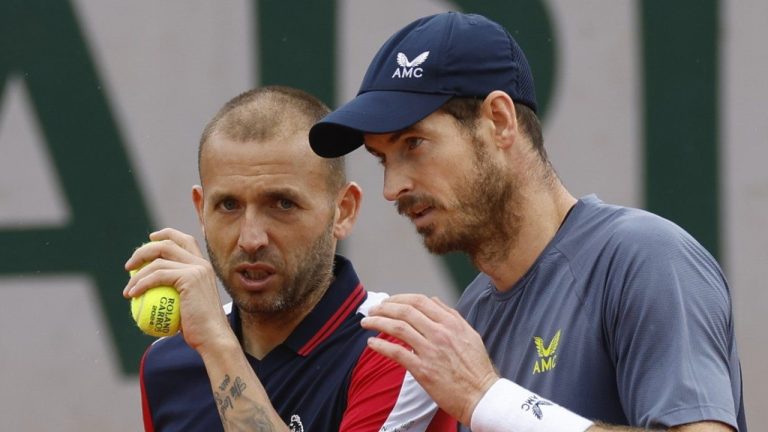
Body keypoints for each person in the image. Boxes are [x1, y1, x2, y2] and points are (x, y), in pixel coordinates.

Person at [308, 12, 747, 432]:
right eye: (382, 158)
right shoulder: (474, 313)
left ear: (499, 121)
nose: (393, 187)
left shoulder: (645, 257)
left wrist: (489, 397)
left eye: (414, 143)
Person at [123, 86, 453, 431]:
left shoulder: (399, 350)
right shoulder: (166, 365)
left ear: (343, 210)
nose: (251, 239)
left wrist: (216, 345)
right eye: (229, 206)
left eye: (283, 204)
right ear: (201, 211)